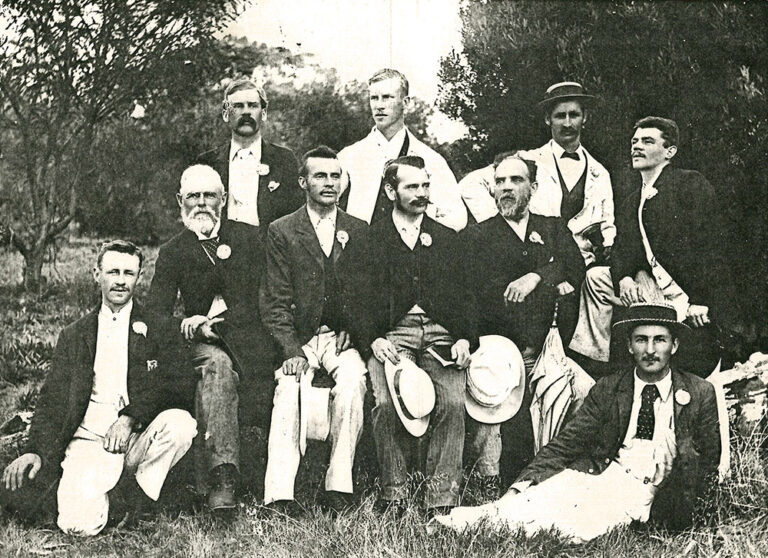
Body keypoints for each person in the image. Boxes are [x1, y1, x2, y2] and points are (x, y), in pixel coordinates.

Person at [432, 302, 721, 542]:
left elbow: (709, 459)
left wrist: (691, 513)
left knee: (572, 525)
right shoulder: (610, 388)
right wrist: (521, 485)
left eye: (660, 340)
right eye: (641, 340)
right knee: (538, 499)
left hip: (654, 491)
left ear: (675, 345)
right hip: (605, 475)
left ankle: (487, 525)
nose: (650, 350)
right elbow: (567, 444)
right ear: (630, 346)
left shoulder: (697, 392)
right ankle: (468, 521)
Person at [0, 240, 197, 536]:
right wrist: (34, 451)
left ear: (139, 277)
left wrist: (130, 418)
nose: (120, 281)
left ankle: (138, 495)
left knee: (181, 425)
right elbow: (51, 399)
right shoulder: (74, 335)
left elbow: (178, 385)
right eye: (113, 272)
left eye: (129, 273)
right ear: (96, 274)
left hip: (137, 438)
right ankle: (114, 498)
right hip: (90, 442)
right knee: (78, 526)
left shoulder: (161, 327)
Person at [349, 155, 477, 517]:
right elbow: (353, 299)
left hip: (441, 336)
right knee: (386, 406)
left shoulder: (448, 240)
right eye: (411, 186)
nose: (422, 194)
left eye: (425, 185)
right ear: (390, 190)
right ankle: (395, 495)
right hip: (393, 335)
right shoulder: (369, 240)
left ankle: (441, 501)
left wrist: (465, 338)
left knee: (452, 403)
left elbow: (469, 296)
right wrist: (372, 338)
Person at [459, 82, 616, 372]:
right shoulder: (528, 160)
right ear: (548, 120)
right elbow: (471, 184)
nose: (567, 123)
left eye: (574, 115)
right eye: (559, 116)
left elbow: (607, 225)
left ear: (585, 118)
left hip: (576, 264)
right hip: (534, 255)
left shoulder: (599, 171)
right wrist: (499, 224)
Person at [147, 165, 275, 511]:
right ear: (180, 201)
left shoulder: (250, 238)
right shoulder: (174, 251)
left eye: (209, 196)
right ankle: (222, 477)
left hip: (249, 337)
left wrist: (222, 324)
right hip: (203, 344)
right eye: (193, 196)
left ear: (224, 199)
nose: (201, 203)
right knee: (216, 365)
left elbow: (267, 297)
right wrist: (186, 323)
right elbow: (155, 311)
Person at [464, 152, 584, 489]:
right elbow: (481, 292)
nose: (506, 188)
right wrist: (551, 277)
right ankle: (491, 484)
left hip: (546, 348)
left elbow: (575, 268)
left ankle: (559, 478)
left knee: (578, 397)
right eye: (499, 181)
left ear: (532, 186)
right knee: (499, 419)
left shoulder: (552, 227)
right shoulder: (477, 236)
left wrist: (536, 277)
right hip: (498, 353)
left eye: (515, 180)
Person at [259, 146, 368, 513]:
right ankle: (279, 494)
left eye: (336, 176)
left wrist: (354, 327)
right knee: (289, 389)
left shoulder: (357, 230)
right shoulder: (282, 230)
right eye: (320, 176)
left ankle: (338, 485)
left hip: (338, 337)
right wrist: (290, 351)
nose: (329, 183)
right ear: (303, 182)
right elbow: (274, 301)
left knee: (353, 381)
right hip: (299, 337)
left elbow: (366, 292)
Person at [612, 116, 731, 374]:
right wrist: (623, 277)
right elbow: (622, 248)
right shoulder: (631, 200)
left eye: (647, 141)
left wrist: (702, 300)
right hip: (657, 296)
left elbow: (711, 246)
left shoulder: (689, 183)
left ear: (670, 151)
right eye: (634, 142)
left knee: (696, 376)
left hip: (692, 299)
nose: (637, 147)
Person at [338, 68, 467, 231]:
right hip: (360, 250)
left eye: (386, 98)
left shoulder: (431, 161)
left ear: (405, 102)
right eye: (374, 98)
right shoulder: (349, 156)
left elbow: (457, 218)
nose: (379, 106)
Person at [197, 77, 303, 230]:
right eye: (238, 106)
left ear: (264, 113)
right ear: (226, 114)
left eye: (253, 106)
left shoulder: (283, 159)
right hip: (222, 250)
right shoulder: (208, 162)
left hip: (268, 251)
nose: (246, 112)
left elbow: (294, 217)